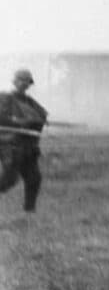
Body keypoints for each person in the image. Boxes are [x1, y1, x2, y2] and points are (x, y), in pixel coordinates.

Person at [0, 69, 48, 214]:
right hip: (10, 145)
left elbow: (41, 117)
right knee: (9, 179)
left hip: (29, 147)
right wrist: (20, 122)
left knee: (34, 178)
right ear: (14, 81)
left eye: (27, 81)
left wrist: (36, 121)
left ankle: (29, 212)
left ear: (29, 84)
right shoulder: (5, 98)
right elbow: (2, 119)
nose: (23, 84)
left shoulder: (30, 102)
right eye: (20, 80)